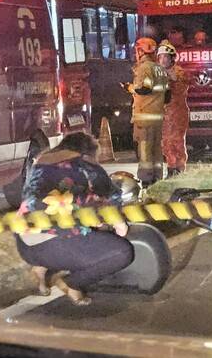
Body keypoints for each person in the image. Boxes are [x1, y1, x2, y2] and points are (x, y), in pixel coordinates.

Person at [15, 132, 133, 306]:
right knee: (122, 252)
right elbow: (110, 203)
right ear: (88, 152)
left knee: (77, 228)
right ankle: (71, 284)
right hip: (56, 246)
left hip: (24, 243)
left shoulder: (40, 163)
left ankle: (40, 269)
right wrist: (120, 226)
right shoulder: (87, 166)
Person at [126, 37, 169, 186]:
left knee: (145, 150)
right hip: (158, 117)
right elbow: (167, 95)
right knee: (157, 149)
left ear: (140, 50)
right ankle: (158, 177)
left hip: (145, 117)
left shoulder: (145, 68)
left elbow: (144, 88)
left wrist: (130, 88)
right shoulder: (160, 69)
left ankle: (146, 179)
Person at [157, 40, 190, 176]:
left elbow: (180, 84)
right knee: (166, 143)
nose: (163, 59)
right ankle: (171, 168)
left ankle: (179, 169)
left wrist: (170, 75)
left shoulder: (178, 72)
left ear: (172, 58)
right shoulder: (158, 72)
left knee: (177, 141)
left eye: (166, 56)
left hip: (177, 114)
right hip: (164, 114)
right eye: (161, 56)